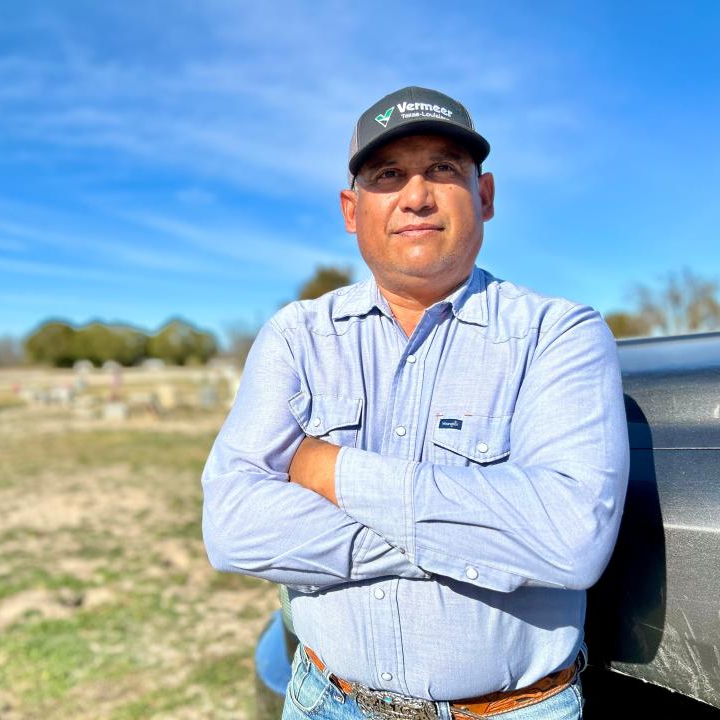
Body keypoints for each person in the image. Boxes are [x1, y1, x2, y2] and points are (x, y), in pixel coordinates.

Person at [202, 86, 629, 720]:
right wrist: (478, 536)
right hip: (325, 699)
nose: (417, 194)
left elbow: (570, 540)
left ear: (484, 197)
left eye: (443, 169)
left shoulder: (559, 333)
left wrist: (332, 470)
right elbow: (232, 528)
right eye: (389, 174)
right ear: (352, 210)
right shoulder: (297, 336)